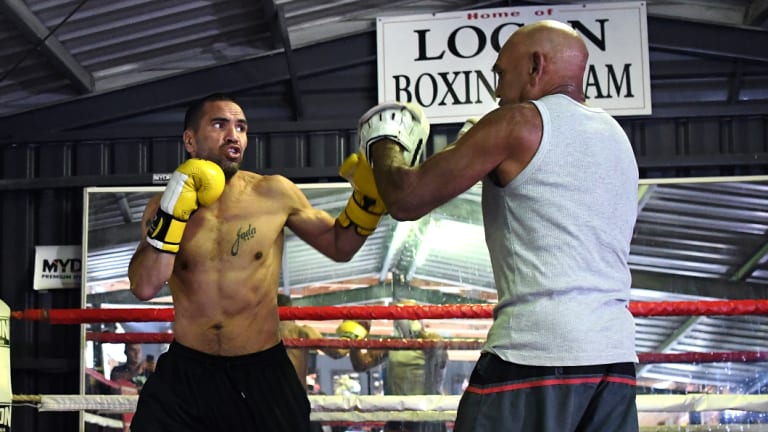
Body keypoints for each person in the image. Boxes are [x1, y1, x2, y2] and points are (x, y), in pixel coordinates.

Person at [359, 20, 639, 432]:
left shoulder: (518, 122)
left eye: (500, 73)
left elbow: (406, 198)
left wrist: (382, 139)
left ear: (536, 66)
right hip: (614, 359)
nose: (496, 90)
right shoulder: (617, 137)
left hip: (536, 351)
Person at [127, 93, 397, 431]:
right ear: (190, 140)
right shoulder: (160, 206)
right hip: (188, 369)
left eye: (241, 127)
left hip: (262, 370)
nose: (233, 135)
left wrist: (366, 205)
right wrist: (172, 215)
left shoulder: (274, 193)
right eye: (219, 124)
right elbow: (145, 285)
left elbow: (339, 246)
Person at [348, 300, 448, 432]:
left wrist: (424, 337)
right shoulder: (391, 344)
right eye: (399, 316)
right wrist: (355, 340)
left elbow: (441, 362)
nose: (403, 321)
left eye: (408, 316)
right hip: (397, 413)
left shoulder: (430, 342)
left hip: (426, 413)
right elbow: (360, 365)